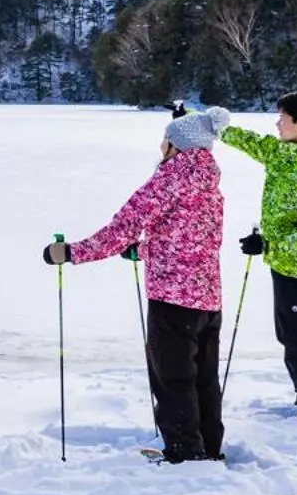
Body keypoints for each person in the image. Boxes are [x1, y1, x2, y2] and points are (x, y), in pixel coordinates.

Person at [45, 107, 230, 463]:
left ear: (176, 145)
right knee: (204, 379)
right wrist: (145, 249)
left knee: (173, 378)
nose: (161, 144)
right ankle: (208, 447)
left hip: (172, 300)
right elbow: (192, 237)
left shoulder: (169, 177)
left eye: (166, 138)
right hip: (207, 299)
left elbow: (123, 226)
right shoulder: (209, 181)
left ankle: (184, 453)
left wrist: (71, 252)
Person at [220, 91, 297, 430]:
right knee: (291, 337)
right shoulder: (285, 151)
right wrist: (210, 123)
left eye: (283, 118)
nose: (277, 123)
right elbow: (254, 144)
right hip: (283, 264)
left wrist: (269, 242)